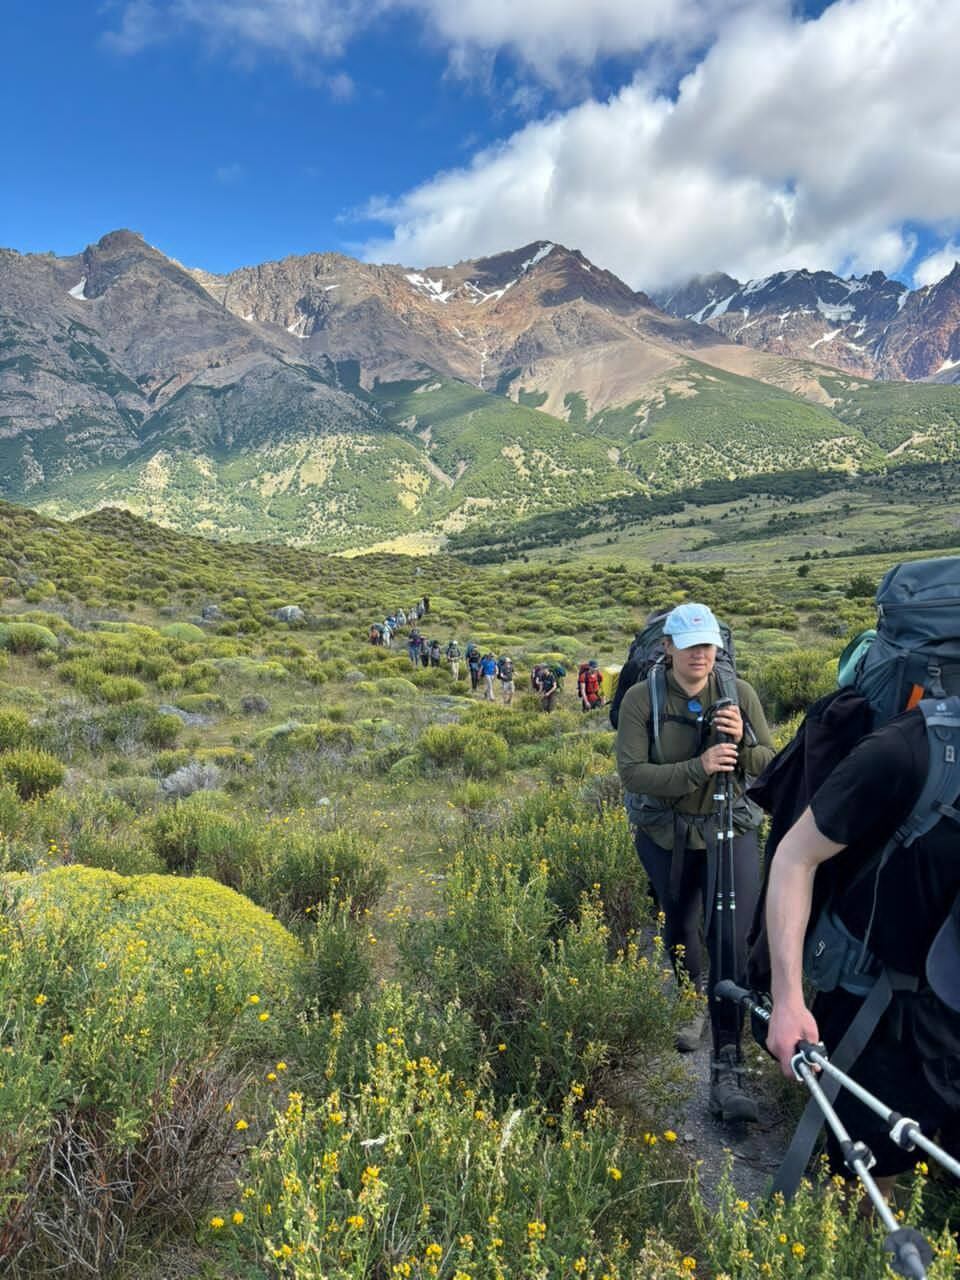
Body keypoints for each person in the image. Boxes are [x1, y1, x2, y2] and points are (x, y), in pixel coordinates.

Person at [765, 706, 960, 1188]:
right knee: (871, 1178)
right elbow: (796, 857)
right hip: (882, 1016)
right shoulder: (907, 750)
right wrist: (787, 999)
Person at [615, 602, 774, 1122]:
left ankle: (730, 1047)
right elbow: (634, 774)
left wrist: (744, 739)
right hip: (668, 833)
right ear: (668, 649)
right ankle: (691, 1001)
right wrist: (698, 766)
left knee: (732, 931)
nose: (701, 656)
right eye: (690, 647)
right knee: (681, 921)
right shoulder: (643, 700)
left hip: (731, 828)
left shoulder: (738, 693)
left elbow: (767, 765)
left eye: (708, 646)